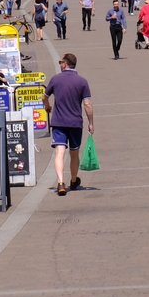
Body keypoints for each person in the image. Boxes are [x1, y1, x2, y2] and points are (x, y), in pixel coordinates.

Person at [46, 53, 95, 197]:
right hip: (75, 123)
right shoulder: (82, 81)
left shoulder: (55, 79)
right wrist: (91, 123)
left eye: (61, 62)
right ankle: (73, 180)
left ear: (65, 64)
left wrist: (47, 106)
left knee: (59, 152)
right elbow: (87, 104)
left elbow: (45, 95)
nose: (60, 64)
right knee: (74, 153)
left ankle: (61, 182)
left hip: (59, 122)